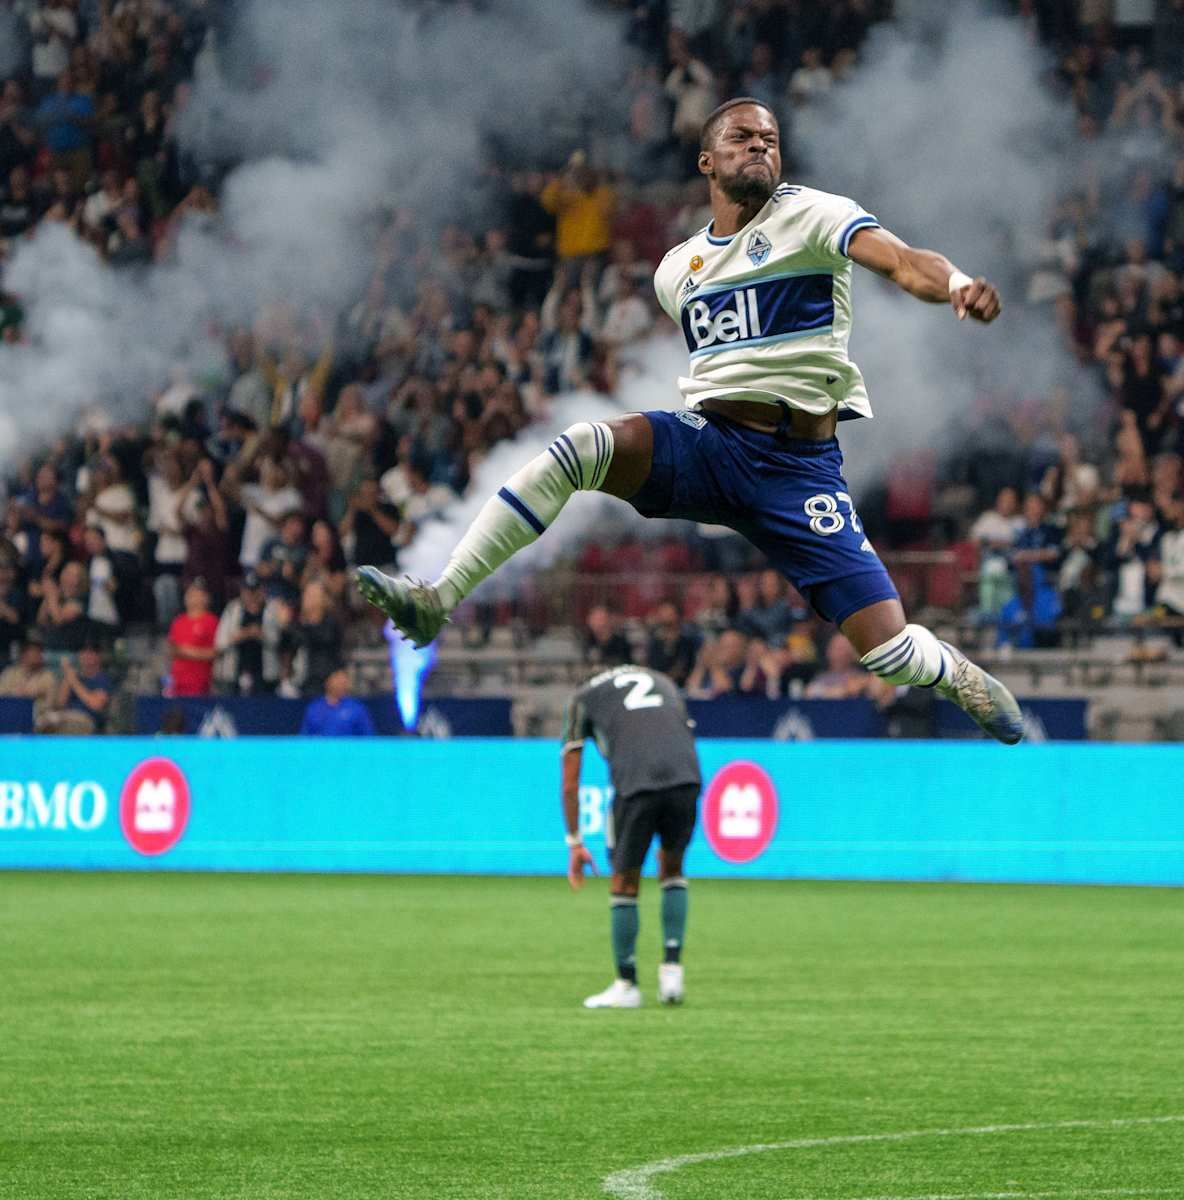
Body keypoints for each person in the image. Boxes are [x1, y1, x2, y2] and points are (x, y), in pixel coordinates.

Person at [357, 97, 1024, 745]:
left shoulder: (815, 214)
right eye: (741, 137)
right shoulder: (676, 271)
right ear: (707, 162)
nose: (760, 144)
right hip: (713, 444)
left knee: (886, 649)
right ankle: (438, 598)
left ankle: (955, 674)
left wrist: (959, 284)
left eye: (769, 137)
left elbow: (905, 262)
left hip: (798, 470)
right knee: (581, 447)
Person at [560, 664, 701, 1010]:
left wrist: (575, 841)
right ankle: (672, 973)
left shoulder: (583, 697)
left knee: (624, 883)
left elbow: (570, 781)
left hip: (638, 783)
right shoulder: (663, 679)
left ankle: (627, 983)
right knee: (672, 868)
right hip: (687, 777)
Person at [166, 578, 219, 697]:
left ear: (206, 598)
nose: (193, 598)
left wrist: (185, 651)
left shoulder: (211, 621)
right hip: (178, 682)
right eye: (190, 594)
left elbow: (215, 652)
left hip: (201, 683)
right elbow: (172, 649)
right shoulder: (178, 621)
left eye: (197, 594)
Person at [300, 665, 375, 736]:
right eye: (337, 678)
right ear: (327, 681)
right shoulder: (314, 708)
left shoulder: (357, 708)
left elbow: (368, 737)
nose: (342, 683)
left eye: (344, 679)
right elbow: (305, 738)